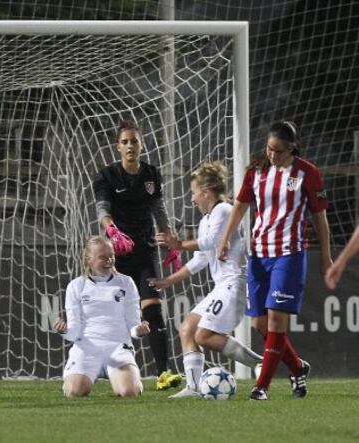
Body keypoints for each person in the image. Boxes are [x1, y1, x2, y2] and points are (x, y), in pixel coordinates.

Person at [218, 121, 332, 400]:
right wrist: (225, 238)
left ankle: (261, 387)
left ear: (292, 147)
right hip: (259, 255)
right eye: (270, 149)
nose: (273, 155)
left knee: (277, 320)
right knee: (260, 324)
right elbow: (241, 205)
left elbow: (320, 216)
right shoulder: (255, 171)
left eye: (279, 151)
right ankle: (297, 367)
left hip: (289, 254)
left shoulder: (308, 173)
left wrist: (327, 257)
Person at [148, 161, 263, 398]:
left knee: (203, 335)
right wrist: (169, 280)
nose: (192, 199)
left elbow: (211, 242)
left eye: (193, 193)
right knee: (188, 329)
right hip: (221, 286)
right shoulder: (205, 220)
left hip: (234, 283)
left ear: (206, 191)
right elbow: (201, 259)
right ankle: (192, 388)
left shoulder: (224, 211)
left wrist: (178, 244)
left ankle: (258, 364)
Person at [92, 119, 182, 390]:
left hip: (145, 252)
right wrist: (112, 232)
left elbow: (158, 208)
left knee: (153, 310)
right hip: (116, 255)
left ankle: (163, 373)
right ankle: (95, 365)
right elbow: (102, 211)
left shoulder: (151, 173)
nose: (130, 145)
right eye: (125, 142)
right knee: (110, 314)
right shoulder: (107, 176)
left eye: (134, 141)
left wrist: (170, 241)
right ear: (117, 147)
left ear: (141, 144)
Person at [54, 236, 150, 398]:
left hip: (118, 347)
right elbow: (74, 333)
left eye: (111, 255)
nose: (109, 260)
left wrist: (138, 331)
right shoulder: (76, 286)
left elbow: (133, 326)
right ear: (89, 260)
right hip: (87, 349)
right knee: (74, 392)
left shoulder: (126, 283)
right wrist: (64, 331)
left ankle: (132, 381)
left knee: (129, 392)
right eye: (103, 257)